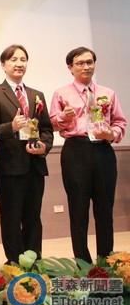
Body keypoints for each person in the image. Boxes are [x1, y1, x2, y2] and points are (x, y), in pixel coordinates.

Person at [50, 47, 126, 263]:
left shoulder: (108, 93)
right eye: (80, 63)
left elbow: (120, 122)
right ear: (70, 68)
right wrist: (64, 117)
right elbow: (52, 124)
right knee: (78, 210)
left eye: (90, 62)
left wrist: (111, 134)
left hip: (103, 151)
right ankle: (82, 262)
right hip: (76, 151)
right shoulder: (61, 93)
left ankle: (106, 261)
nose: (86, 67)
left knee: (105, 210)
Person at [0, 45, 53, 264]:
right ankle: (15, 263)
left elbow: (46, 128)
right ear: (3, 65)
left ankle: (35, 262)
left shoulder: (36, 95)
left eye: (23, 59)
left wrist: (44, 146)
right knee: (11, 219)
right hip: (10, 168)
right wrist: (11, 127)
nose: (19, 64)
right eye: (13, 59)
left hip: (35, 165)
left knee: (33, 218)